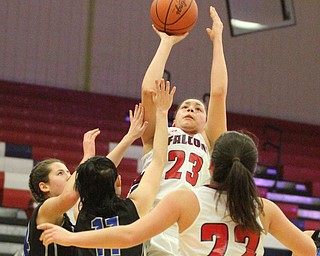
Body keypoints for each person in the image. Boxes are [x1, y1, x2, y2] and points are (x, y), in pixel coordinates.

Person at [38, 131, 316, 256]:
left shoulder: (186, 198)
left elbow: (129, 235)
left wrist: (72, 237)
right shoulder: (264, 208)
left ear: (211, 165)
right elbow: (307, 249)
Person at [129, 5, 228, 255]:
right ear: (173, 117)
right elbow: (149, 92)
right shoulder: (159, 134)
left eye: (198, 108)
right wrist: (166, 42)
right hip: (150, 218)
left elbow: (218, 94)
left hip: (188, 228)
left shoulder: (211, 143)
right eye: (185, 106)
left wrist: (218, 41)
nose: (191, 109)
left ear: (207, 122)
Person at [68, 80, 174, 256]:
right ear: (118, 180)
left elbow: (91, 178)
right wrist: (162, 113)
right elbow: (159, 160)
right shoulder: (133, 208)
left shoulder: (80, 213)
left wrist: (128, 138)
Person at [24, 128, 101, 255]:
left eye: (68, 172)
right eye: (60, 173)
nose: (69, 177)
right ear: (44, 187)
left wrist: (129, 138)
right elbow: (70, 196)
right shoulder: (45, 209)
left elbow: (105, 172)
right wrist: (87, 156)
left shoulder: (63, 217)